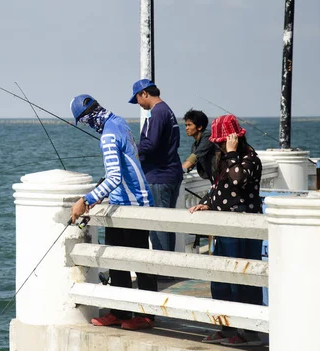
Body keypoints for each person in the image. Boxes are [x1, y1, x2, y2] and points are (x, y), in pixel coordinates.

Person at [69, 94, 157, 331]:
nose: (88, 126)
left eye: (84, 122)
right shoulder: (119, 122)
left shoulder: (108, 136)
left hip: (133, 205)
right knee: (116, 261)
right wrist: (103, 196)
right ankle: (119, 311)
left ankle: (147, 315)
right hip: (124, 201)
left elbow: (115, 177)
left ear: (87, 118)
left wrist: (85, 200)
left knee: (139, 261)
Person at [189, 114, 264, 347]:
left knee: (243, 278)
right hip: (224, 224)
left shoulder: (250, 158)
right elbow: (219, 185)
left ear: (233, 138)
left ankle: (250, 331)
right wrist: (208, 203)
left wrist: (231, 153)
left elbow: (237, 180)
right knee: (221, 278)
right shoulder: (224, 158)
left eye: (223, 141)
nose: (219, 145)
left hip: (243, 225)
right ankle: (227, 326)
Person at [129, 79, 183, 252]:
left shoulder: (157, 112)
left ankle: (163, 270)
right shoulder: (167, 110)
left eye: (137, 98)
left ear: (144, 93)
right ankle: (169, 266)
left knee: (158, 224)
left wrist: (132, 151)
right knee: (166, 223)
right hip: (171, 173)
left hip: (159, 177)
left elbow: (150, 145)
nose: (137, 103)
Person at [182, 109, 215, 183]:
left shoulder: (208, 137)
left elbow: (196, 156)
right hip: (215, 180)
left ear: (199, 127)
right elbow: (192, 164)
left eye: (189, 125)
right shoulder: (195, 145)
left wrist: (179, 171)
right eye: (186, 125)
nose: (186, 128)